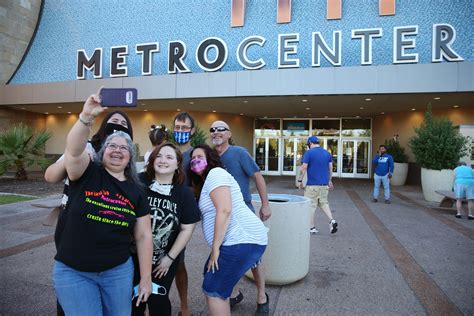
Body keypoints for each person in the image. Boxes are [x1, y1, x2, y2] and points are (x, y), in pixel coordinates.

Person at [52, 90, 152, 316]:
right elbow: (74, 150)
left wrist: (146, 279)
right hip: (74, 271)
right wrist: (86, 117)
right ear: (102, 152)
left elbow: (144, 235)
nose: (117, 150)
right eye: (112, 146)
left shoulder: (136, 190)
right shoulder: (86, 172)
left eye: (123, 148)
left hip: (117, 272)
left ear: (130, 157)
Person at [44, 110, 133, 316]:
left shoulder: (122, 157)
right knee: (72, 286)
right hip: (72, 222)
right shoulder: (85, 147)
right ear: (103, 126)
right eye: (113, 121)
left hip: (107, 233)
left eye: (123, 123)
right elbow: (51, 176)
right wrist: (73, 159)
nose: (118, 125)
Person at [189, 144, 268, 316]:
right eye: (192, 159)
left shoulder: (216, 173)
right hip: (237, 240)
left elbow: (224, 210)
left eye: (199, 157)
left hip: (241, 239)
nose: (195, 161)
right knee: (210, 275)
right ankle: (231, 295)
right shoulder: (206, 182)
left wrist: (215, 248)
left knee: (213, 289)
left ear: (210, 159)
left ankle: (230, 297)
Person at [209, 120, 271, 314]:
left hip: (243, 214)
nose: (216, 132)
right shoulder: (210, 158)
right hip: (220, 215)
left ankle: (262, 297)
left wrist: (266, 204)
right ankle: (235, 293)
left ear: (229, 134)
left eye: (221, 129)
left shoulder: (239, 153)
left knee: (254, 259)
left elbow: (258, 177)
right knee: (226, 256)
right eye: (212, 129)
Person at [132, 142, 200, 315]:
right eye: (159, 156)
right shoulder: (138, 182)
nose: (163, 160)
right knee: (134, 302)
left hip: (163, 261)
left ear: (177, 164)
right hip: (133, 257)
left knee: (158, 301)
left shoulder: (183, 194)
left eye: (169, 157)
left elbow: (187, 228)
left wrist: (169, 258)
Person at [171, 112, 196, 316]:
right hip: (160, 213)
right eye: (177, 128)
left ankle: (184, 307)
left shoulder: (196, 156)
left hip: (182, 217)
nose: (180, 131)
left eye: (184, 128)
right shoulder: (166, 151)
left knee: (179, 262)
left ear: (192, 130)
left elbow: (200, 185)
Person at [298, 136, 338, 235]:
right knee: (324, 203)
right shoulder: (327, 153)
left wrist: (300, 180)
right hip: (324, 184)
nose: (308, 146)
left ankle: (311, 227)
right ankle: (332, 220)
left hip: (312, 185)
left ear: (310, 143)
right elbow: (330, 168)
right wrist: (330, 180)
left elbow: (303, 168)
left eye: (308, 145)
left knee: (310, 206)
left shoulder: (309, 153)